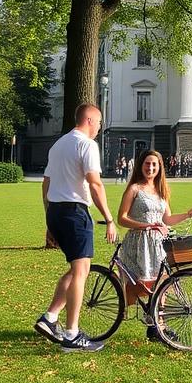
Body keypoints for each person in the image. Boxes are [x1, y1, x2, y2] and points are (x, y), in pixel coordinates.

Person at [36, 103, 118, 353]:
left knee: (75, 269)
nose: (100, 127)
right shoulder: (87, 145)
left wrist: (49, 219)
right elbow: (95, 183)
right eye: (100, 122)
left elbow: (46, 184)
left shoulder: (58, 144)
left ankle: (50, 318)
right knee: (82, 271)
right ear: (90, 120)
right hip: (75, 213)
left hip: (56, 212)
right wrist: (109, 218)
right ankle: (72, 334)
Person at [117, 149, 192, 342]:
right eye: (147, 164)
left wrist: (188, 214)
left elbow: (168, 219)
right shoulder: (134, 189)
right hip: (139, 242)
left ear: (160, 167)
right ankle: (145, 318)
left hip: (158, 244)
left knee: (162, 282)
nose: (151, 168)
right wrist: (146, 226)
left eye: (154, 165)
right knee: (141, 286)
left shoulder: (161, 191)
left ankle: (158, 326)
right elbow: (122, 219)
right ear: (141, 165)